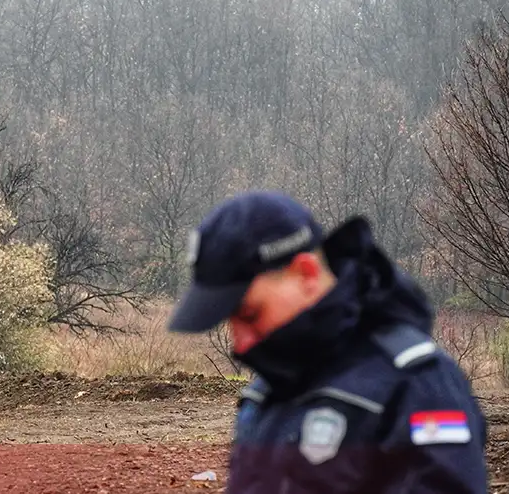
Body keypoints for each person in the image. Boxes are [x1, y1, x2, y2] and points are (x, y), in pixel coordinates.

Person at [168, 190, 489, 493]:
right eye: (230, 320)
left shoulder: (416, 387)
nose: (241, 341)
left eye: (250, 314)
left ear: (306, 274)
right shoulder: (268, 392)